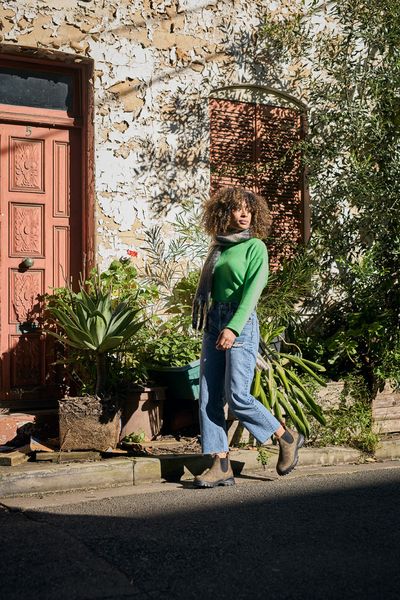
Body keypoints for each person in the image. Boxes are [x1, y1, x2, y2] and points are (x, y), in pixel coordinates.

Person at [191, 186, 304, 488]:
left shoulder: (256, 247)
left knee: (237, 395)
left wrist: (234, 327)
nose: (243, 214)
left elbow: (253, 293)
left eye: (248, 210)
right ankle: (221, 464)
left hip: (240, 320)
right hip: (214, 319)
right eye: (237, 209)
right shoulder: (218, 248)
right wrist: (218, 324)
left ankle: (286, 436)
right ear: (223, 212)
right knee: (209, 396)